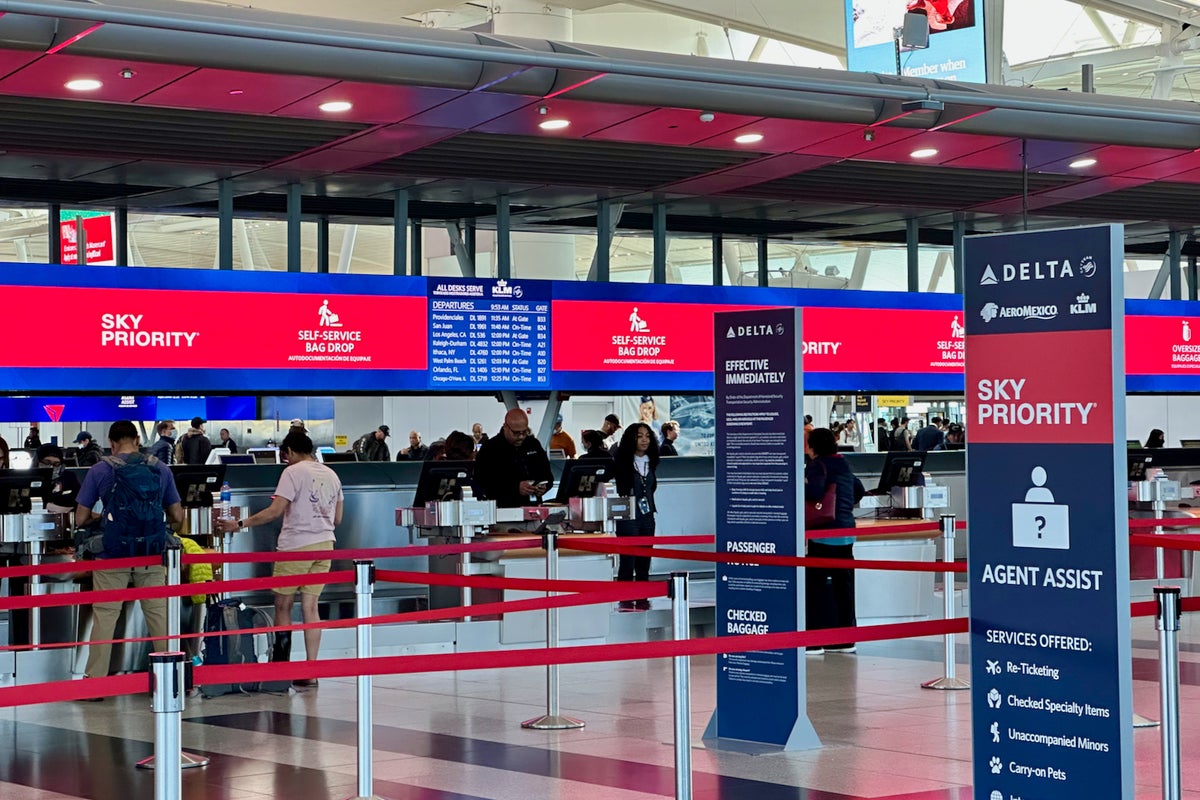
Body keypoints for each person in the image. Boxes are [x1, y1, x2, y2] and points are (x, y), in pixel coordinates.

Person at [217, 431, 343, 688]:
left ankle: (281, 671)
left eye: (285, 455)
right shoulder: (331, 474)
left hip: (297, 546)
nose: (285, 460)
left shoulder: (293, 472)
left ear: (292, 452)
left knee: (283, 606)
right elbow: (337, 519)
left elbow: (274, 511)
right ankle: (311, 671)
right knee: (311, 608)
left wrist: (239, 524)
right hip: (325, 545)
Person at [75, 420, 184, 685]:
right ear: (137, 439)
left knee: (105, 618)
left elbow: (80, 518)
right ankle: (170, 678)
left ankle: (96, 681)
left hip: (113, 554)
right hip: (150, 553)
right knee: (158, 616)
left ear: (111, 443)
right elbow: (177, 516)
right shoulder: (159, 468)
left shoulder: (100, 469)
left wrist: (105, 519)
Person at [804, 427, 865, 655]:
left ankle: (815, 640)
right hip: (846, 533)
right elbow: (858, 490)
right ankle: (846, 639)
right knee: (844, 586)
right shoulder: (844, 464)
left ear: (814, 445)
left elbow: (815, 491)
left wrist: (802, 486)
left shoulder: (817, 465)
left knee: (816, 586)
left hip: (824, 532)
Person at [613, 422, 660, 611]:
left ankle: (642, 599)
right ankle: (625, 601)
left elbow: (652, 487)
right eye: (640, 436)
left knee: (644, 560)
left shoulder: (652, 461)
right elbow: (619, 487)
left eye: (647, 436)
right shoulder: (623, 461)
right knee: (628, 560)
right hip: (629, 515)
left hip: (647, 515)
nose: (644, 440)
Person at [474, 409, 554, 507]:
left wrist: (544, 486)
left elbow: (548, 476)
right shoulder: (490, 449)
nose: (521, 437)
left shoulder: (533, 444)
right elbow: (482, 482)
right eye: (516, 433)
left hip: (533, 509)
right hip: (503, 511)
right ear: (505, 427)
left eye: (524, 432)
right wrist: (515, 488)